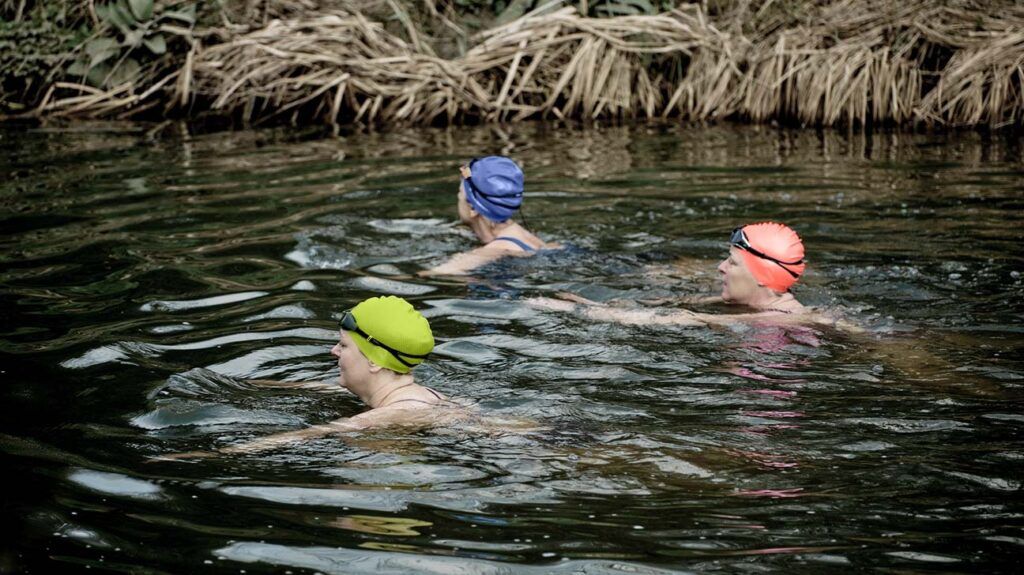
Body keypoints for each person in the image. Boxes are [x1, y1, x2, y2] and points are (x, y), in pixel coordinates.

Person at [154, 296, 463, 460]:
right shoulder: (420, 395)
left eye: (343, 345)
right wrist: (243, 385)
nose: (333, 351)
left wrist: (204, 455)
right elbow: (314, 387)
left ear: (373, 361)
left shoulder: (393, 413)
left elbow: (304, 436)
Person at [530, 222, 854, 329]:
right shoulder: (765, 302)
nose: (721, 268)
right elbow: (674, 304)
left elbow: (676, 319)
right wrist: (587, 299)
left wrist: (571, 310)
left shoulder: (777, 320)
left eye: (732, 263)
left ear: (761, 276)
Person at [420, 156, 555, 276]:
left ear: (473, 208)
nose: (458, 198)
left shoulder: (495, 250)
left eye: (460, 193)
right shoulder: (528, 238)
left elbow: (431, 275)